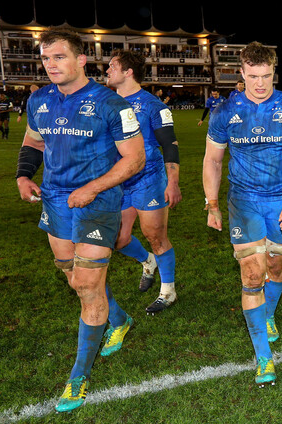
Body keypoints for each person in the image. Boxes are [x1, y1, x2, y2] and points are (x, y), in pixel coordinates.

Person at [15, 29, 144, 412]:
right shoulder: (39, 100)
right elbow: (33, 141)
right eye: (45, 58)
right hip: (55, 200)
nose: (51, 64)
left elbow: (135, 158)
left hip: (99, 201)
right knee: (73, 276)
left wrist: (93, 187)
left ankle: (78, 378)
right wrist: (23, 175)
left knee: (87, 284)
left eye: (59, 57)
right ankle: (119, 318)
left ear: (81, 60)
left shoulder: (111, 104)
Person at [202, 41, 282, 387]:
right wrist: (212, 203)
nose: (260, 83)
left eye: (266, 76)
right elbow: (212, 161)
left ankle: (268, 314)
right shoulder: (225, 112)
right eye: (253, 76)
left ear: (273, 72)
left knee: (276, 268)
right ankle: (264, 357)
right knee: (253, 275)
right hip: (244, 201)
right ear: (242, 73)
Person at [106, 49, 182, 314]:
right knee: (118, 239)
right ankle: (148, 262)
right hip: (118, 180)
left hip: (148, 179)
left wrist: (172, 182)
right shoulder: (106, 103)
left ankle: (168, 291)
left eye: (112, 66)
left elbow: (170, 145)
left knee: (155, 236)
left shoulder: (152, 105)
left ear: (128, 72)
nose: (107, 71)